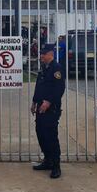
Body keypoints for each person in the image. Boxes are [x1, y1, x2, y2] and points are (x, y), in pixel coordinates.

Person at [31, 43, 66, 179]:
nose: (41, 56)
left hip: (51, 109)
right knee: (41, 134)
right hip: (40, 107)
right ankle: (47, 160)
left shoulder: (56, 69)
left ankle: (56, 166)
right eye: (41, 54)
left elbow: (59, 89)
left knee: (51, 136)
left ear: (50, 54)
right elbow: (38, 86)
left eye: (43, 54)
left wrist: (48, 101)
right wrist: (34, 101)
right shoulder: (44, 68)